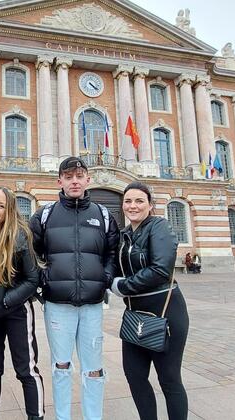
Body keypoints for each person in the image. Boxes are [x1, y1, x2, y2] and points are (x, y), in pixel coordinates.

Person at [29, 157, 119, 420]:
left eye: (79, 175)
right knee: (61, 367)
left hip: (92, 306)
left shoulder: (102, 215)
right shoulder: (44, 216)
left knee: (93, 368)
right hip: (58, 306)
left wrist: (105, 278)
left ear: (88, 179)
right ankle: (63, 417)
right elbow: (28, 254)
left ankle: (93, 417)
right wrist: (43, 280)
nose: (75, 181)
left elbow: (112, 252)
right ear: (60, 182)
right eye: (69, 177)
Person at [110, 182, 189, 420]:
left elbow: (160, 270)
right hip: (135, 314)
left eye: (139, 201)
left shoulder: (160, 227)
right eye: (128, 201)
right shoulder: (123, 236)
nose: (133, 206)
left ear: (150, 205)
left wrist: (122, 285)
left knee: (169, 378)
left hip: (166, 312)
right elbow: (112, 266)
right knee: (134, 375)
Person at [0, 187, 44, 420]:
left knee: (26, 370)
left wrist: (6, 301)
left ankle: (36, 416)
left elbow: (33, 278)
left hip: (17, 312)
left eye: (0, 206)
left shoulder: (20, 236)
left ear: (9, 211)